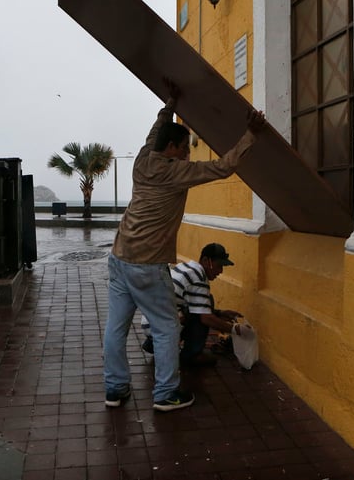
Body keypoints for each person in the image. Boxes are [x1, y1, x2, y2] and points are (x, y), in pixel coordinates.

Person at [103, 81, 266, 412]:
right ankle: (165, 395)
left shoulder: (143, 159)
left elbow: (155, 133)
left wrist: (170, 104)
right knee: (166, 328)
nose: (189, 152)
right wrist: (251, 133)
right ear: (176, 148)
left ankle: (115, 389)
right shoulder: (176, 172)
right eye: (186, 147)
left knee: (115, 328)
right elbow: (223, 167)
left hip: (119, 257)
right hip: (147, 265)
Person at [141, 243, 250, 367]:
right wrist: (235, 330)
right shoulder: (199, 277)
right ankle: (192, 354)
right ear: (205, 260)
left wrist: (220, 313)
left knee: (200, 306)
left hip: (150, 325)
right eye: (218, 266)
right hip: (162, 329)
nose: (220, 271)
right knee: (206, 303)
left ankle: (153, 345)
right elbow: (205, 318)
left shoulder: (186, 267)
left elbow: (194, 304)